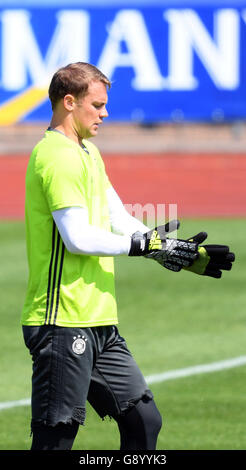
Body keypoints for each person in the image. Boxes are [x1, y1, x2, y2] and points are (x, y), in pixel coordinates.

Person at [21, 62, 235, 451]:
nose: (105, 113)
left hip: (99, 320)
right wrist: (142, 247)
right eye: (98, 105)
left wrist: (169, 249)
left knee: (143, 422)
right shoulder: (56, 156)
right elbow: (77, 238)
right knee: (55, 440)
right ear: (69, 102)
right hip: (62, 321)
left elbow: (116, 216)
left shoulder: (88, 153)